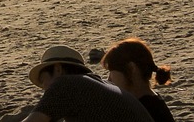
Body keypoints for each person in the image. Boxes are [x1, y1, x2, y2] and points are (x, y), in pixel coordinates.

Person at [24, 44, 154, 121]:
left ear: (58, 69)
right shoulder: (98, 87)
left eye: (43, 80)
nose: (44, 89)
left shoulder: (64, 84)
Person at [102, 37, 175, 122]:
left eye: (111, 71)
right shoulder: (153, 102)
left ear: (132, 68)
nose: (109, 79)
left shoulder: (141, 109)